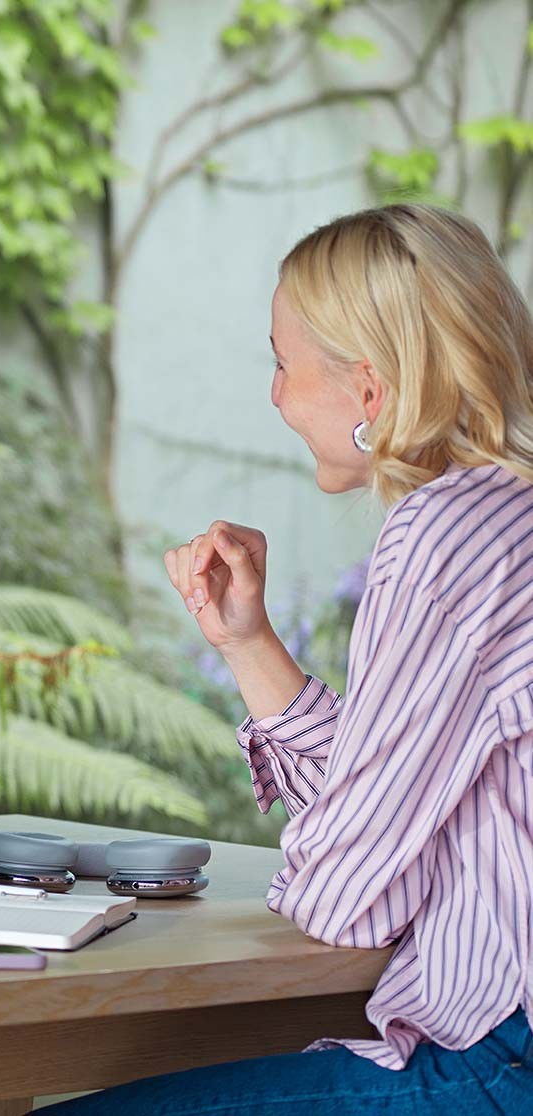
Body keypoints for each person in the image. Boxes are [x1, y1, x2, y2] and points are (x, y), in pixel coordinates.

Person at [47, 205, 533, 1114]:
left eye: (281, 360)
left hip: (499, 1060)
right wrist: (247, 642)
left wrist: (327, 858)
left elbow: (353, 896)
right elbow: (394, 806)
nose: (273, 393)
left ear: (371, 390)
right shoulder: (504, 515)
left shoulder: (441, 538)